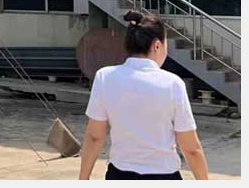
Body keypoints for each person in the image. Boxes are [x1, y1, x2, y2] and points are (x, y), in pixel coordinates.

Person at [78, 10, 209, 180]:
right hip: (163, 176)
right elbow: (191, 149)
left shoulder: (105, 77)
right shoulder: (172, 84)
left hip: (119, 175)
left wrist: (83, 179)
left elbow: (95, 137)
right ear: (157, 45)